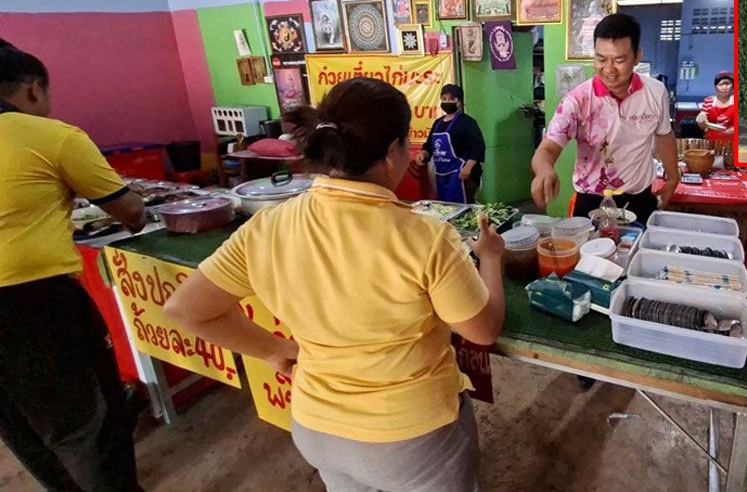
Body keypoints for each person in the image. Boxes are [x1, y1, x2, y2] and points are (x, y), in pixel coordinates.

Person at [164, 77, 505, 492]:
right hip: (411, 440)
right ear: (394, 153)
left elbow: (184, 308)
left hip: (317, 429)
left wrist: (273, 348)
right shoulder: (425, 236)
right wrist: (490, 258)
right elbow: (482, 330)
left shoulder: (267, 226)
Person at [0, 42, 146, 492]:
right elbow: (132, 213)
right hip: (34, 305)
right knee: (87, 424)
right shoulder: (53, 136)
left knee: (19, 425)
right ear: (31, 90)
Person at [531, 12, 680, 225]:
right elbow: (547, 149)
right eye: (601, 59)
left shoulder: (655, 92)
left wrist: (673, 177)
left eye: (619, 60)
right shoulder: (577, 100)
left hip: (639, 199)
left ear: (637, 57)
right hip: (591, 201)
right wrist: (544, 170)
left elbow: (664, 135)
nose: (609, 70)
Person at [416, 84, 486, 204]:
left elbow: (478, 146)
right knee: (446, 207)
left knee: (465, 208)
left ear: (459, 101)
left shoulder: (467, 122)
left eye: (451, 98)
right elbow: (429, 146)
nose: (447, 101)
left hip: (463, 176)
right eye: (444, 98)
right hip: (441, 176)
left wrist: (468, 168)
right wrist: (423, 154)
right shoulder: (437, 123)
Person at [697, 71, 735, 142]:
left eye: (727, 84)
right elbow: (702, 117)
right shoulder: (709, 101)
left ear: (733, 86)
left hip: (732, 143)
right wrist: (701, 119)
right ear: (715, 87)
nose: (724, 87)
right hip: (711, 142)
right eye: (720, 84)